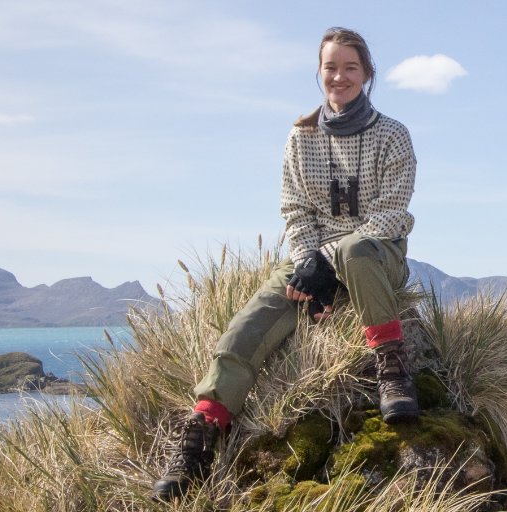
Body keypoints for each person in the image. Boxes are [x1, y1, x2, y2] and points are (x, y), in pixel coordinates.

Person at [153, 26, 419, 502]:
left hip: (377, 254)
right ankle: (200, 437)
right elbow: (295, 210)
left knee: (355, 252)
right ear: (319, 72)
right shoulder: (300, 138)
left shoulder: (394, 135)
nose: (339, 76)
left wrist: (328, 258)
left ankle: (393, 368)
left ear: (368, 74)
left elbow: (392, 212)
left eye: (350, 67)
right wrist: (306, 264)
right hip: (311, 257)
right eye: (330, 67)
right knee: (246, 327)